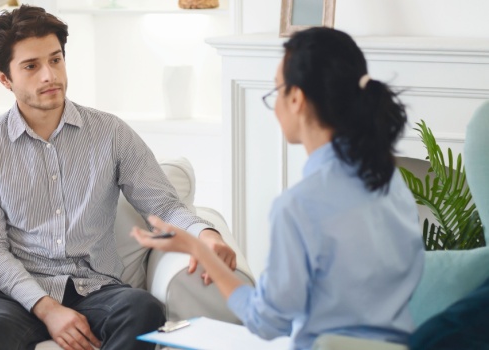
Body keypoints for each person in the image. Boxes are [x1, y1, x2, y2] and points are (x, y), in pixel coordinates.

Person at [0, 5, 237, 350]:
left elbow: (162, 204)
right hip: (15, 295)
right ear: (4, 78)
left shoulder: (110, 133)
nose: (49, 75)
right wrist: (47, 309)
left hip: (96, 289)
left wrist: (205, 235)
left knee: (144, 309)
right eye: (31, 66)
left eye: (55, 59)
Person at [132, 27, 425, 350]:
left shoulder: (300, 205)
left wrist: (199, 250)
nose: (275, 107)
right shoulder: (391, 183)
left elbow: (265, 321)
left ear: (296, 98)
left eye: (276, 92)